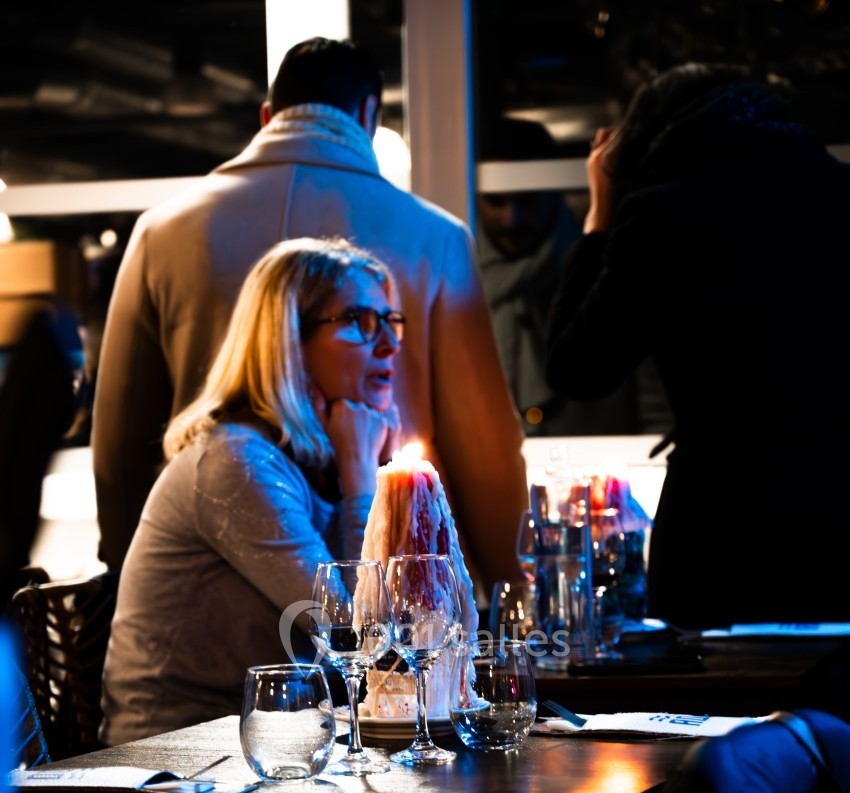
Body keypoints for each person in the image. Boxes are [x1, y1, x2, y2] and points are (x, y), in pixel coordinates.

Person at [91, 36, 528, 606]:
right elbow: (483, 449)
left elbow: (121, 443)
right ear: (369, 115)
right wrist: (510, 587)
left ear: (267, 117)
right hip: (380, 581)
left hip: (213, 587)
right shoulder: (434, 235)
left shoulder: (161, 230)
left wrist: (127, 576)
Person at [544, 63, 850, 629]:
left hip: (722, 520)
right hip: (838, 506)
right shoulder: (839, 193)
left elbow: (577, 367)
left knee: (714, 704)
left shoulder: (665, 211)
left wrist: (598, 219)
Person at [99, 236, 402, 746]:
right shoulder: (235, 461)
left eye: (389, 322)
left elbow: (405, 619)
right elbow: (358, 635)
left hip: (277, 739)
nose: (390, 345)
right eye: (357, 320)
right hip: (176, 762)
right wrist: (360, 473)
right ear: (287, 342)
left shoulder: (307, 456)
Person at [476, 115, 639, 436]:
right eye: (496, 200)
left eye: (527, 199)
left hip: (598, 458)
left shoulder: (599, 262)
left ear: (554, 193)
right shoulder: (458, 278)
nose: (512, 219)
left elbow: (646, 384)